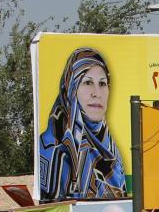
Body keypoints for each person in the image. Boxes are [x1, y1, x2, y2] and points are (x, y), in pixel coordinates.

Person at [38, 47, 126, 201]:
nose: (96, 93)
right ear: (71, 89)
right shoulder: (51, 149)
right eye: (88, 82)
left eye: (102, 83)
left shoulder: (111, 151)